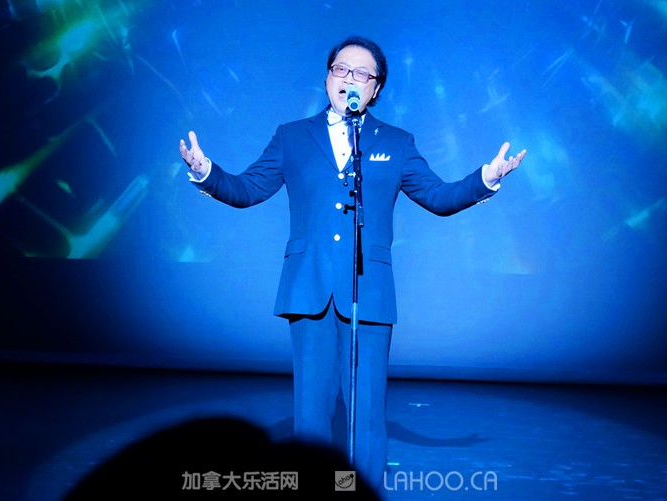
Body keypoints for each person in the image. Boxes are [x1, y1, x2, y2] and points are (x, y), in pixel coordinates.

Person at [178, 36, 525, 488]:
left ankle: (363, 490)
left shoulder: (396, 142)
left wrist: (486, 178)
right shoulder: (291, 136)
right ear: (327, 78)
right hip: (309, 288)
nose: (350, 79)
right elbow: (248, 189)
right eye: (341, 69)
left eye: (362, 73)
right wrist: (205, 171)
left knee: (367, 412)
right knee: (311, 413)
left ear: (376, 88)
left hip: (370, 290)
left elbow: (438, 197)